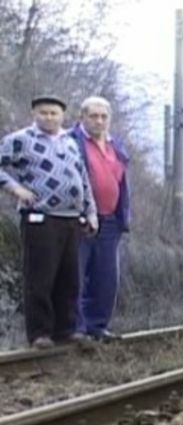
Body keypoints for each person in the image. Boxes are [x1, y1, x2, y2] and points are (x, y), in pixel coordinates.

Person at [0, 95, 98, 349]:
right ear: (34, 114)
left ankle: (65, 329)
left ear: (62, 116)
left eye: (54, 113)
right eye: (43, 113)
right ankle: (40, 333)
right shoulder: (21, 140)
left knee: (69, 278)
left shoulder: (70, 141)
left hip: (71, 218)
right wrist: (15, 189)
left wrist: (91, 212)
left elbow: (83, 178)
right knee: (40, 277)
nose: (49, 117)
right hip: (40, 217)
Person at [70, 96, 131, 341]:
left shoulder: (116, 145)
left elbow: (122, 181)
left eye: (104, 116)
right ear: (82, 117)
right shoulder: (71, 141)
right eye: (93, 116)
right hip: (80, 218)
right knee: (76, 273)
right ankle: (75, 328)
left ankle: (97, 326)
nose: (99, 121)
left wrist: (124, 215)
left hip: (111, 219)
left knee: (106, 277)